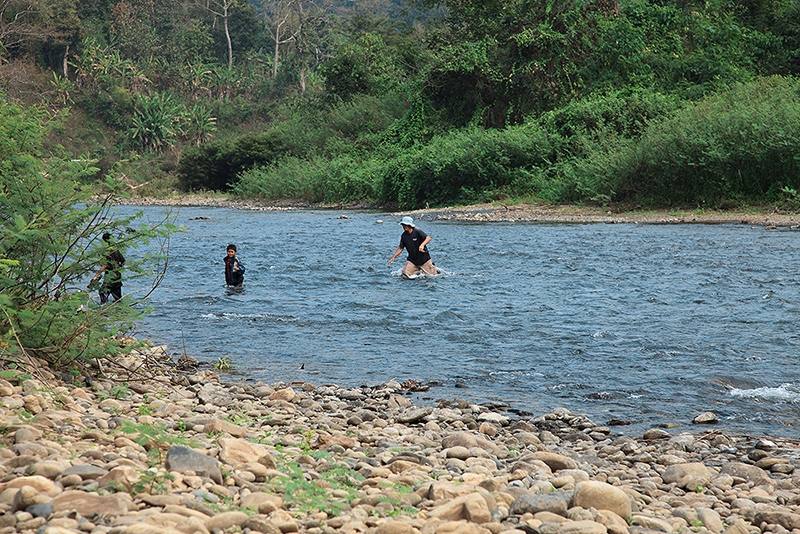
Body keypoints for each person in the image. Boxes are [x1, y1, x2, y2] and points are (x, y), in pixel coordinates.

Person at [90, 232, 125, 304]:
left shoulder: (107, 251)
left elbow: (105, 265)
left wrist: (96, 276)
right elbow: (123, 261)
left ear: (104, 240)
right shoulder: (116, 250)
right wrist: (117, 268)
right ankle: (119, 311)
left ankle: (103, 310)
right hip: (117, 276)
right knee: (118, 299)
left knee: (102, 293)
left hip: (110, 277)